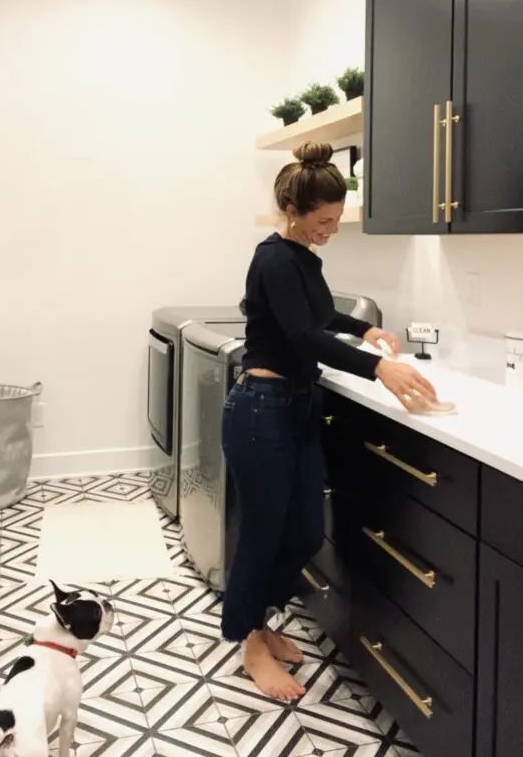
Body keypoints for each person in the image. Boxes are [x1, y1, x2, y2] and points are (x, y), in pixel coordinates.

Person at [221, 141, 437, 702]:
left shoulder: (300, 260)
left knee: (304, 533)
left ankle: (262, 622)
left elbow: (318, 315)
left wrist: (362, 330)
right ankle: (249, 645)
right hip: (260, 412)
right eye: (325, 220)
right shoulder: (273, 258)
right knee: (263, 534)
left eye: (337, 220)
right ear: (294, 213)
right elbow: (303, 336)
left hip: (293, 407)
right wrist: (378, 369)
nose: (332, 229)